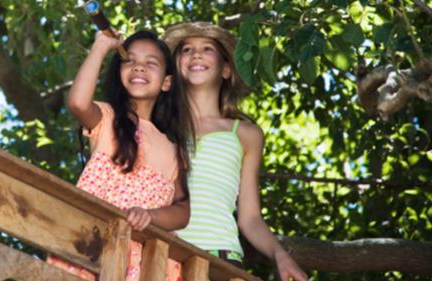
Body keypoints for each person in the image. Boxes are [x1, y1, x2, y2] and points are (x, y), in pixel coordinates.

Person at [162, 22, 308, 281]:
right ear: (175, 67)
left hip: (221, 258)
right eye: (186, 50)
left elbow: (250, 218)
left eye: (207, 49)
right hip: (162, 250)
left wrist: (280, 254)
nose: (196, 54)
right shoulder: (158, 126)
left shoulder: (246, 134)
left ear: (226, 69)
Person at [46, 30, 195, 281]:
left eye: (151, 63)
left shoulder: (173, 148)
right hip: (91, 242)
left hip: (141, 260)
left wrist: (152, 216)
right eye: (130, 61)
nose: (139, 67)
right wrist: (101, 47)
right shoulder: (107, 118)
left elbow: (183, 210)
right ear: (119, 73)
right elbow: (78, 103)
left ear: (167, 82)